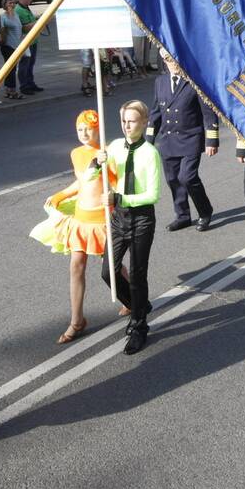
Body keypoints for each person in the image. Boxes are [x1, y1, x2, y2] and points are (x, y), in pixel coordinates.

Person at [30, 111, 132, 344]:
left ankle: (131, 298)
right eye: (80, 129)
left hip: (104, 219)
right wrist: (62, 194)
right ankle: (77, 320)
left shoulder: (109, 153)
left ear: (99, 129)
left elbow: (119, 183)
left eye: (89, 128)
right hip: (81, 218)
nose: (84, 133)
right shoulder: (76, 153)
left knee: (113, 266)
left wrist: (109, 173)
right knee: (76, 265)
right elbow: (81, 180)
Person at [101, 100, 163, 355]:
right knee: (108, 272)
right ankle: (139, 306)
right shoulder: (114, 146)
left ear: (144, 122)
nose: (127, 125)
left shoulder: (150, 153)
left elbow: (153, 194)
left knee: (137, 275)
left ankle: (139, 326)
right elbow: (95, 175)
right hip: (118, 219)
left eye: (132, 121)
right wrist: (97, 164)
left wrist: (121, 198)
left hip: (141, 219)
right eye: (124, 121)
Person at [147, 48, 219, 231]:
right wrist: (147, 141)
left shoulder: (194, 81)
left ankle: (205, 211)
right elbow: (155, 113)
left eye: (176, 59)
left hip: (190, 138)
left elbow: (208, 112)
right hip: (168, 140)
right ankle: (183, 215)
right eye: (169, 60)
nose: (174, 64)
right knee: (173, 179)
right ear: (164, 60)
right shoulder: (160, 82)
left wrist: (211, 140)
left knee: (187, 177)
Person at [0, 0, 30, 100]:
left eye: (13, 3)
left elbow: (19, 28)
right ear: (5, 5)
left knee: (11, 69)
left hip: (17, 45)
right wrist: (3, 43)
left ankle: (8, 90)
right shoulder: (4, 16)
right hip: (8, 46)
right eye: (9, 3)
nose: (12, 4)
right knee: (11, 69)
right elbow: (3, 31)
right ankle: (12, 91)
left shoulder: (16, 15)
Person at [15, 0, 43, 95]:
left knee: (31, 64)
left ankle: (31, 83)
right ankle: (24, 86)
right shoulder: (19, 10)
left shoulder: (25, 8)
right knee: (24, 65)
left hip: (33, 41)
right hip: (26, 42)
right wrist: (39, 22)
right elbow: (24, 28)